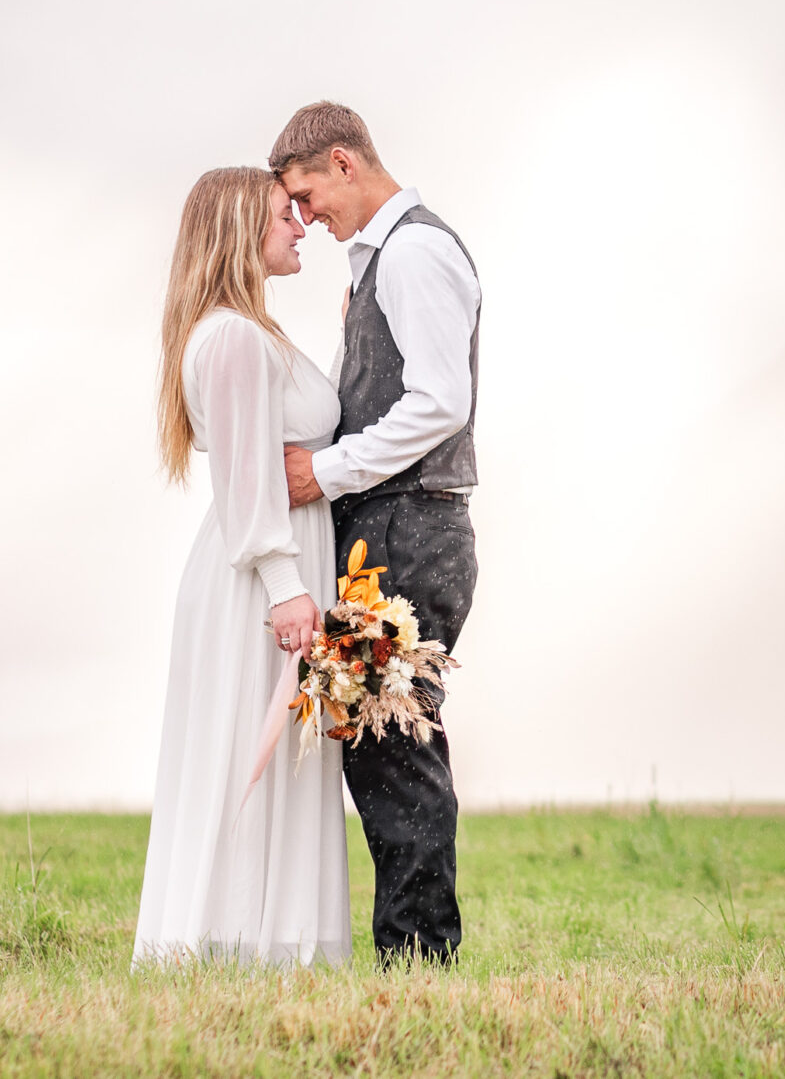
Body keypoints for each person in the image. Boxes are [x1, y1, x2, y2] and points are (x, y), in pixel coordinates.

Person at [271, 101, 481, 966]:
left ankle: (421, 958)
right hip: (390, 522)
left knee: (397, 743)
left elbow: (439, 403)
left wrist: (323, 471)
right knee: (379, 742)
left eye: (307, 191)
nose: (306, 215)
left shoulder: (417, 252)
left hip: (414, 522)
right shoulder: (383, 259)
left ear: (345, 161)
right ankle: (411, 953)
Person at [132, 167, 352, 967]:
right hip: (259, 584)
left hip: (272, 572)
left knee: (278, 762)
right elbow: (249, 479)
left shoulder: (248, 333)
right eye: (282, 214)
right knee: (247, 756)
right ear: (237, 231)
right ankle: (236, 947)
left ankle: (271, 943)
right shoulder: (229, 337)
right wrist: (287, 587)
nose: (300, 225)